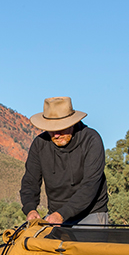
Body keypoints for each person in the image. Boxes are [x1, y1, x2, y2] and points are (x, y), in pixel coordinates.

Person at [20, 96, 108, 225]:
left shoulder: (91, 140)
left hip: (91, 213)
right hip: (55, 214)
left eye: (61, 128)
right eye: (51, 129)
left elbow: (90, 185)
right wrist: (30, 209)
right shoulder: (40, 144)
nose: (56, 135)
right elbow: (30, 182)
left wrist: (62, 214)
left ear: (72, 123)